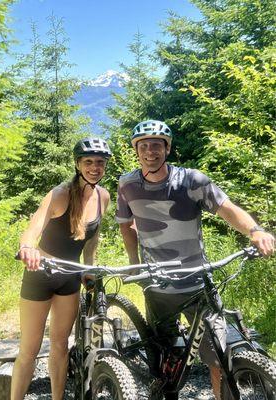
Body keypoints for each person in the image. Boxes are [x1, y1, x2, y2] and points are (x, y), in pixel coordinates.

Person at [115, 120, 275, 400]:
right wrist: (133, 261)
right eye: (144, 146)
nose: (150, 151)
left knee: (217, 355)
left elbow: (227, 209)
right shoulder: (127, 184)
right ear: (136, 150)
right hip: (156, 284)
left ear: (168, 148)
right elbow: (125, 224)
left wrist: (255, 231)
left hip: (197, 281)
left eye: (157, 145)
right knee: (163, 355)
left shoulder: (191, 181)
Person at [11, 137, 111, 400]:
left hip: (69, 276)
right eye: (88, 162)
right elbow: (32, 229)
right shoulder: (59, 195)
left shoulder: (103, 197)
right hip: (40, 274)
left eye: (100, 162)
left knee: (60, 346)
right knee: (29, 350)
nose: (94, 167)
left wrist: (88, 269)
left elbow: (91, 242)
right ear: (78, 164)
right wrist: (28, 249)